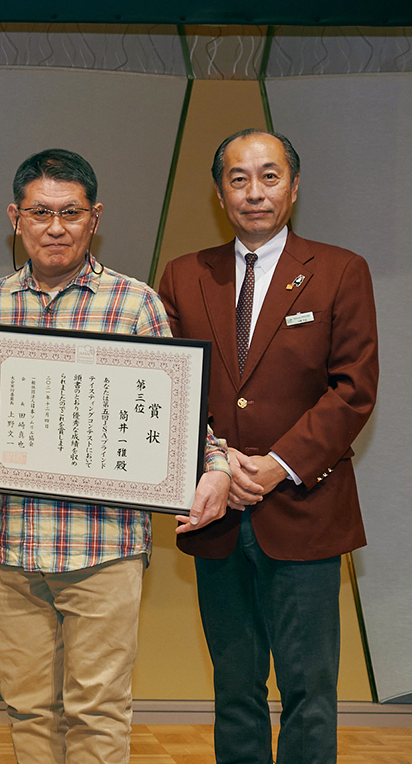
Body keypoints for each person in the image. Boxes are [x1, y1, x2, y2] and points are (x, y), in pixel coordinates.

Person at [0, 148, 231, 763]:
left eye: (70, 212)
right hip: (13, 543)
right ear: (16, 217)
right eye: (40, 212)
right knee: (27, 708)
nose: (56, 227)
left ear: (95, 217)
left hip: (103, 545)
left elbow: (180, 418)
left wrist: (213, 467)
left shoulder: (135, 306)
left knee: (98, 710)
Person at [157, 129, 378, 764]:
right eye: (238, 178)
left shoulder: (341, 270)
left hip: (306, 512)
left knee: (311, 688)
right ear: (219, 191)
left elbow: (354, 389)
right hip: (216, 511)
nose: (254, 192)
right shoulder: (184, 274)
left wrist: (279, 466)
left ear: (294, 185)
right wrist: (221, 463)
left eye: (269, 176)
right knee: (234, 688)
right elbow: (173, 389)